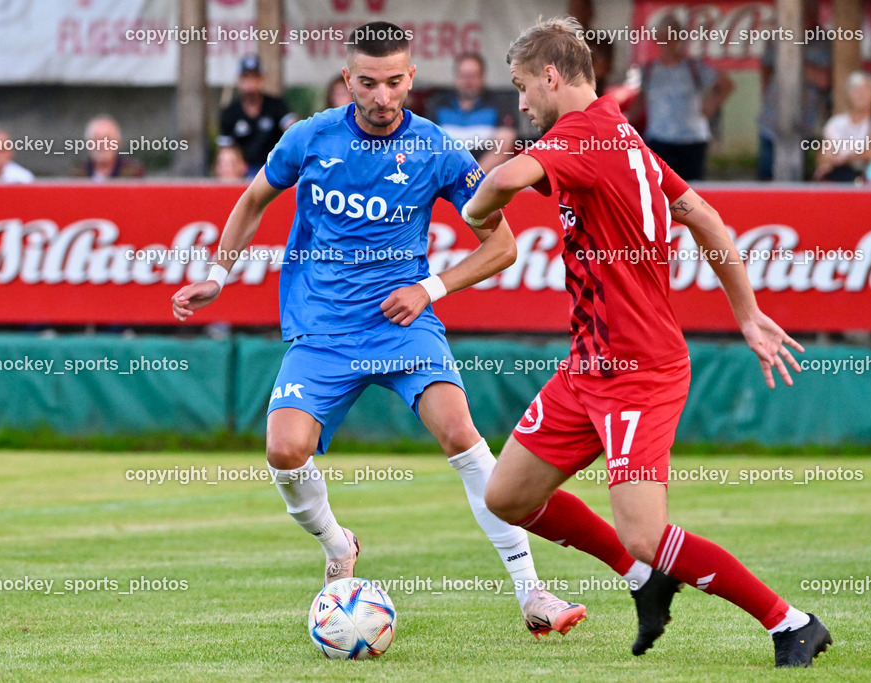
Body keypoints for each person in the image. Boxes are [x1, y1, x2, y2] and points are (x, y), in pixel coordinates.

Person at [172, 21, 587, 639]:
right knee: (283, 451)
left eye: (394, 81)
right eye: (368, 83)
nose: (382, 96)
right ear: (348, 79)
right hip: (323, 329)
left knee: (461, 434)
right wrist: (216, 274)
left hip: (402, 326)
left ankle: (532, 592)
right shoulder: (310, 137)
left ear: (411, 78)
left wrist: (429, 289)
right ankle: (339, 546)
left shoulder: (436, 150)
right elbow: (253, 199)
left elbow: (502, 247)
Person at [462, 17, 831, 668]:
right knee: (508, 497)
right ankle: (645, 580)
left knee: (644, 532)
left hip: (639, 371)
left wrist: (475, 214)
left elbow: (500, 182)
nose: (520, 103)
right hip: (588, 368)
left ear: (551, 76)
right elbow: (702, 215)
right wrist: (746, 314)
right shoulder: (619, 134)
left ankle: (792, 622)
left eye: (521, 86)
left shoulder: (580, 135)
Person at [630, 19, 733, 181]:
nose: (667, 42)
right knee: (659, 186)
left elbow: (727, 84)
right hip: (659, 138)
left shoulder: (694, 67)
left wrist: (710, 106)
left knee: (691, 187)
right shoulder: (649, 70)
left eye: (671, 37)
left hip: (691, 140)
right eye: (662, 37)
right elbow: (640, 100)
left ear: (679, 39)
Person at [757, 0, 831, 180]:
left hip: (805, 123)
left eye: (810, 10)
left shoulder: (824, 42)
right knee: (765, 179)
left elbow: (825, 80)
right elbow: (766, 68)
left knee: (797, 178)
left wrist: (793, 64)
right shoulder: (777, 37)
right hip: (771, 121)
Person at [428, 53, 518, 172]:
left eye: (473, 76)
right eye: (464, 75)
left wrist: (474, 176)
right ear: (456, 76)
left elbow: (503, 148)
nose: (468, 81)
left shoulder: (500, 104)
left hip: (487, 178)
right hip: (447, 177)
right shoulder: (438, 105)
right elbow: (429, 146)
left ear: (483, 76)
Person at [217, 55, 298, 177]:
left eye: (254, 78)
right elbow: (225, 148)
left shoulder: (276, 105)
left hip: (273, 169)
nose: (250, 84)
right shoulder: (230, 112)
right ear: (239, 80)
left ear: (262, 79)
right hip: (242, 172)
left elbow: (293, 130)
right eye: (246, 78)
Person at [813, 71, 871, 183]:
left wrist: (843, 158)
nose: (861, 95)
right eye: (856, 90)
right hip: (844, 179)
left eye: (865, 90)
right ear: (848, 94)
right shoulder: (836, 123)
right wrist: (833, 161)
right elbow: (824, 155)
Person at [70, 116, 144, 180]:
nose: (102, 144)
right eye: (96, 139)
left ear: (118, 143)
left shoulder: (132, 174)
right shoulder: (78, 175)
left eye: (108, 139)